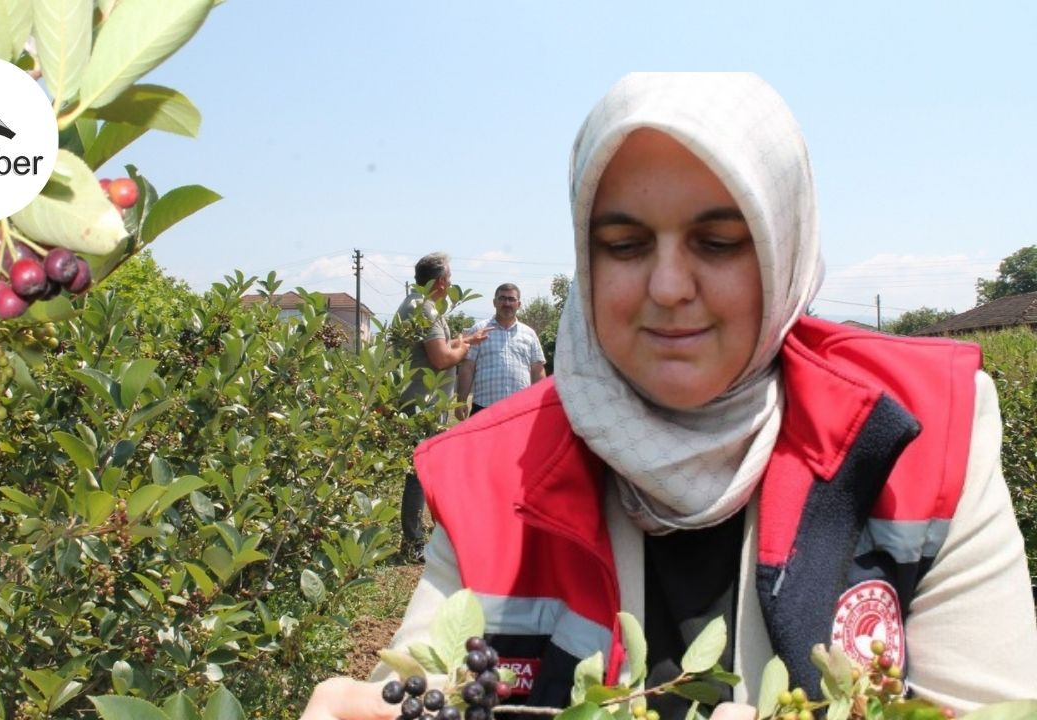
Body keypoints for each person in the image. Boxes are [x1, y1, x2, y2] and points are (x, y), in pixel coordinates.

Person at [303, 73, 1037, 719]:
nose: (667, 287)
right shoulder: (489, 478)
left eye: (717, 242)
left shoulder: (926, 437)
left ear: (784, 250)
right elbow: (422, 683)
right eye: (624, 245)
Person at [394, 252, 491, 563]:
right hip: (423, 404)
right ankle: (413, 543)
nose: (450, 286)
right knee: (419, 474)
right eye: (449, 280)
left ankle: (433, 535)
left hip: (420, 403)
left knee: (427, 472)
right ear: (439, 282)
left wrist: (465, 340)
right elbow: (440, 358)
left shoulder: (415, 304)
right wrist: (463, 348)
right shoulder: (425, 309)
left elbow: (436, 349)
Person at [454, 283, 546, 419]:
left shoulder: (529, 334)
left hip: (520, 410)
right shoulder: (479, 330)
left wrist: (541, 404)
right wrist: (461, 401)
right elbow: (467, 367)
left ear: (519, 304)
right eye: (502, 298)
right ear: (494, 302)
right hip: (484, 408)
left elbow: (538, 370)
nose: (507, 303)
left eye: (511, 299)